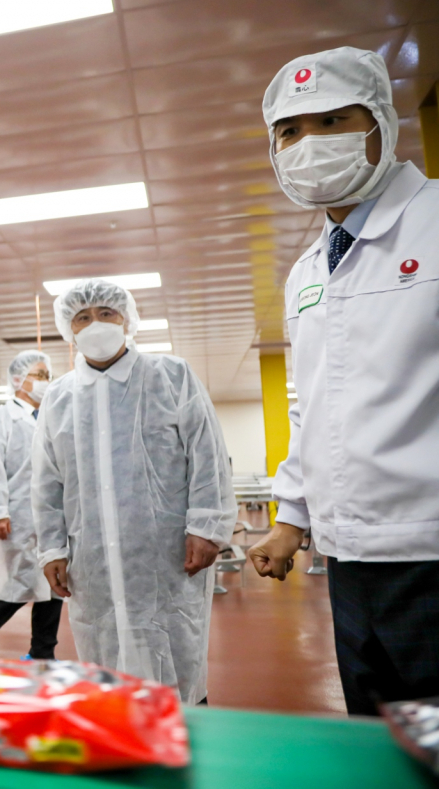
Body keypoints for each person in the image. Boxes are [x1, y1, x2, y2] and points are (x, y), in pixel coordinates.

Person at [246, 47, 439, 715]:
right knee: (378, 738)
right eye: (290, 132)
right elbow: (313, 407)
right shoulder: (308, 273)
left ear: (380, 124)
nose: (310, 144)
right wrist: (290, 518)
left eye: (333, 121)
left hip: (431, 546)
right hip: (350, 554)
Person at [32, 279, 234, 704]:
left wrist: (207, 526)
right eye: (83, 317)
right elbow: (48, 479)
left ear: (127, 319)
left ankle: (186, 732)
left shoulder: (171, 375)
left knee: (175, 652)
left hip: (166, 553)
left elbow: (207, 454)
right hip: (93, 561)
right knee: (106, 662)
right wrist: (51, 548)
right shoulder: (59, 397)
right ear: (69, 329)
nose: (96, 323)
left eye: (107, 313)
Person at [0, 350, 62, 660]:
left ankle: (42, 652)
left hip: (52, 514)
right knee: (24, 579)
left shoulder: (51, 416)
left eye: (48, 376)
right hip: (19, 513)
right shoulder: (0, 417)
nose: (45, 382)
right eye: (39, 375)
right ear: (18, 379)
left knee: (55, 579)